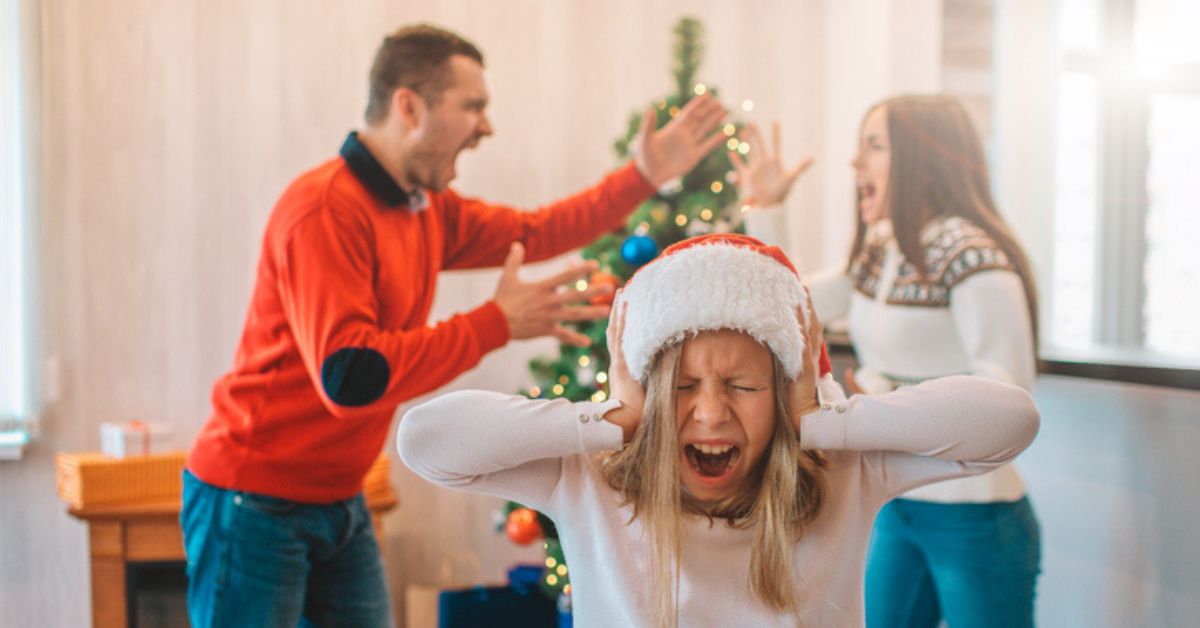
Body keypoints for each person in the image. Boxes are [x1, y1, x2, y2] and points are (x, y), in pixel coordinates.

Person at [181, 23, 729, 627]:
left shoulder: (422, 209)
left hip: (338, 495)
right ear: (409, 106)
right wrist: (496, 323)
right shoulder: (324, 211)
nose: (486, 126)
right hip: (254, 500)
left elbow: (537, 230)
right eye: (473, 106)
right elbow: (351, 376)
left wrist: (642, 177)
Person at [398, 233, 1040, 627]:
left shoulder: (844, 467)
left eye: (743, 386)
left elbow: (1009, 421)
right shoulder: (591, 475)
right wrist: (613, 419)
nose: (709, 414)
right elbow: (424, 441)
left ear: (784, 388)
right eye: (680, 389)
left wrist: (817, 420)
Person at [733, 94, 1042, 627]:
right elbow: (786, 302)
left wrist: (883, 401)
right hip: (897, 503)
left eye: (874, 146)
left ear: (927, 156)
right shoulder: (882, 249)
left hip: (975, 514)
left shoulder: (974, 256)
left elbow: (1009, 396)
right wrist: (769, 212)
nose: (855, 163)